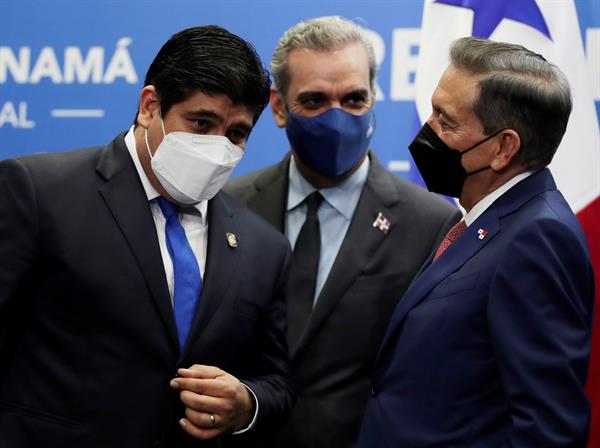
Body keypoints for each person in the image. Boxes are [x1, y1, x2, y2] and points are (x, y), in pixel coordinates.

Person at [0, 25, 294, 447]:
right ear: (150, 106)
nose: (217, 147)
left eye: (235, 134)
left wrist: (247, 403)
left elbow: (277, 380)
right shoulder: (38, 192)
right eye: (201, 122)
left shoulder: (264, 246)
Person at [224, 16, 461, 448]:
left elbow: (436, 375)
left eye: (353, 99)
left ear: (373, 98)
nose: (336, 119)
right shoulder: (228, 208)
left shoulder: (430, 223)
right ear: (278, 107)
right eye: (313, 101)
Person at [356, 36, 595, 447]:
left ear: (503, 148)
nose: (427, 130)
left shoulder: (537, 237)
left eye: (446, 122)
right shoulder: (481, 220)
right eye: (433, 110)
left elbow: (548, 428)